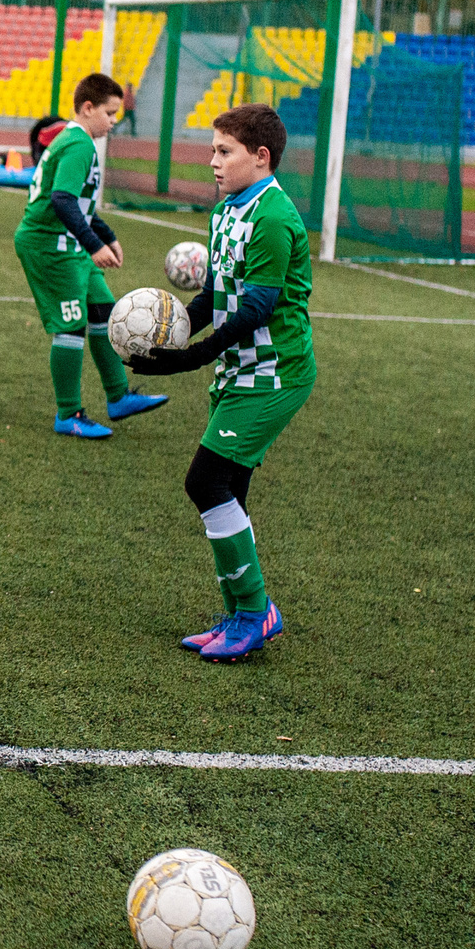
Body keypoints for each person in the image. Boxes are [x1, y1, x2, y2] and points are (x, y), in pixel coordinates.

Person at [127, 104, 314, 662]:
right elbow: (216, 294)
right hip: (239, 372)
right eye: (212, 150)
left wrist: (190, 359)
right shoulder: (229, 209)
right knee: (226, 492)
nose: (212, 161)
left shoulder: (275, 217)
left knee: (204, 482)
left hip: (275, 373)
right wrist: (175, 333)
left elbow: (257, 305)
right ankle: (241, 613)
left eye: (224, 151)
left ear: (261, 157)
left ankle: (255, 612)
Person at [13, 72, 168, 437]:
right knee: (71, 326)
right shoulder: (79, 145)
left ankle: (118, 397)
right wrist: (94, 245)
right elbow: (62, 200)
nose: (114, 122)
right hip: (49, 244)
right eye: (110, 114)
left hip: (69, 241)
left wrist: (107, 235)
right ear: (87, 108)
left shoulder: (78, 141)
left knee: (103, 311)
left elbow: (78, 202)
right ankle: (68, 414)